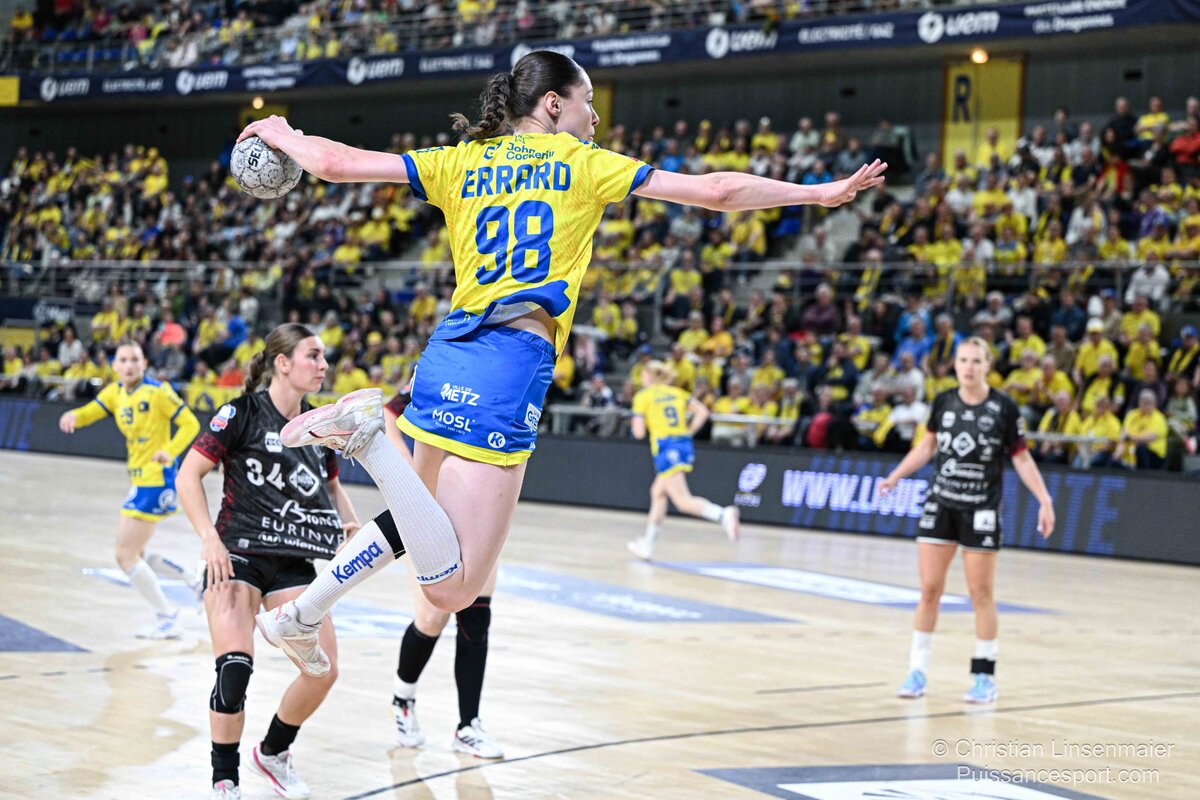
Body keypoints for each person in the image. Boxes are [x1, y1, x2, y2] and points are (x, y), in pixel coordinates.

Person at [242, 51, 886, 675]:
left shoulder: (461, 159)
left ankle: (301, 613)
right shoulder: (583, 162)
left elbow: (335, 163)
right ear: (554, 104)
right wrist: (819, 192)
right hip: (509, 362)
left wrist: (283, 133)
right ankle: (369, 442)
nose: (596, 118)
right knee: (454, 589)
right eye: (588, 102)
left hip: (446, 354)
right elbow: (717, 191)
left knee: (420, 518)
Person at [176, 323, 364, 800]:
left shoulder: (320, 425)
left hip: (293, 560)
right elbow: (188, 475)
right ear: (283, 362)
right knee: (234, 670)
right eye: (313, 355)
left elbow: (330, 485)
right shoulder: (241, 413)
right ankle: (225, 778)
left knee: (323, 668)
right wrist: (208, 539)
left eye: (323, 356)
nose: (323, 365)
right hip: (236, 555)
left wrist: (349, 523)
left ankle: (273, 752)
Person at [878, 337, 1055, 705]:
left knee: (981, 595)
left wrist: (1044, 499)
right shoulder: (944, 401)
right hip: (941, 504)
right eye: (963, 360)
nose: (969, 367)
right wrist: (895, 476)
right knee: (929, 591)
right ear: (955, 365)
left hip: (981, 510)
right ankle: (916, 672)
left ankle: (984, 676)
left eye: (976, 361)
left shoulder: (1004, 407)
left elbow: (1022, 458)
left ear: (988, 365)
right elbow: (927, 446)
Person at [381, 392, 503, 759]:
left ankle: (468, 726)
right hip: (431, 508)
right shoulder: (444, 373)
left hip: (478, 506)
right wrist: (408, 467)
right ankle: (402, 698)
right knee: (432, 618)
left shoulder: (503, 379)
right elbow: (388, 413)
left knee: (477, 614)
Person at [58, 340, 200, 639]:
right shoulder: (115, 392)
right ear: (114, 366)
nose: (129, 365)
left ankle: (167, 618)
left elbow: (190, 424)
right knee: (138, 554)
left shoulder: (158, 392)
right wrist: (74, 416)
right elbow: (92, 411)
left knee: (125, 555)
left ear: (144, 363)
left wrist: (170, 451)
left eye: (135, 359)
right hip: (141, 479)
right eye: (123, 360)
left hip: (156, 479)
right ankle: (195, 582)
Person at [625, 360, 739, 560]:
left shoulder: (643, 396)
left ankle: (723, 515)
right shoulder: (677, 393)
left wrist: (636, 419)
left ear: (650, 376)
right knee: (658, 492)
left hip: (666, 448)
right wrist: (688, 432)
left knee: (682, 501)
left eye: (643, 374)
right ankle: (648, 545)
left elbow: (639, 433)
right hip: (683, 445)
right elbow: (703, 412)